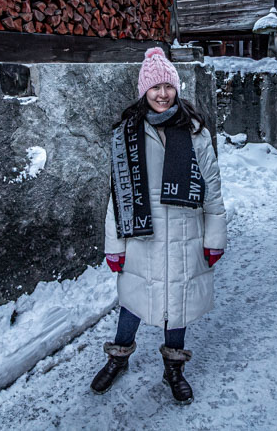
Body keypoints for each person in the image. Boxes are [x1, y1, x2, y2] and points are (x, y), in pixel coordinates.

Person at [91, 47, 227, 404]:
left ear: (176, 88)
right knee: (134, 302)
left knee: (177, 304)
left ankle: (174, 368)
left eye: (168, 85)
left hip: (185, 235)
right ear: (143, 91)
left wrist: (214, 239)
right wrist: (114, 246)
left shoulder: (195, 133)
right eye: (155, 87)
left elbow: (212, 190)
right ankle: (118, 358)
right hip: (142, 239)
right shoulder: (126, 135)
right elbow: (117, 196)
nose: (163, 94)